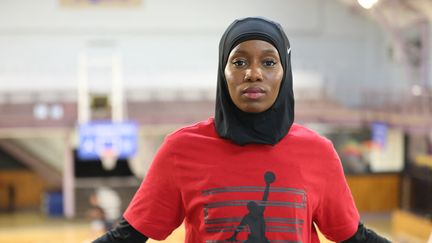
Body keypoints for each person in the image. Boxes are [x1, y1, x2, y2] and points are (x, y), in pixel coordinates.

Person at [93, 17, 391, 243]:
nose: (253, 73)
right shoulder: (181, 149)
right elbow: (127, 237)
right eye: (238, 62)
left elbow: (354, 237)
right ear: (223, 73)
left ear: (284, 73)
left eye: (269, 62)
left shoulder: (318, 153)